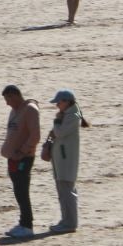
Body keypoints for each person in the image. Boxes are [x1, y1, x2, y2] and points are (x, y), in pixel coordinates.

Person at [0, 85, 42, 238]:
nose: (7, 103)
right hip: (13, 158)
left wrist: (22, 151)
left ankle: (27, 225)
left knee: (22, 191)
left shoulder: (30, 109)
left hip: (24, 158)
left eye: (7, 99)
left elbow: (35, 136)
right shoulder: (14, 111)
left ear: (14, 95)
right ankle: (23, 223)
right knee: (18, 191)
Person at [43, 89, 86, 233]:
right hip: (60, 160)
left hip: (66, 161)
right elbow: (54, 134)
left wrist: (56, 120)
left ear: (67, 102)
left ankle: (70, 223)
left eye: (59, 102)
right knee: (62, 191)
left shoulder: (73, 116)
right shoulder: (67, 115)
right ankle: (65, 220)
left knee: (67, 191)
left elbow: (59, 132)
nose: (57, 105)